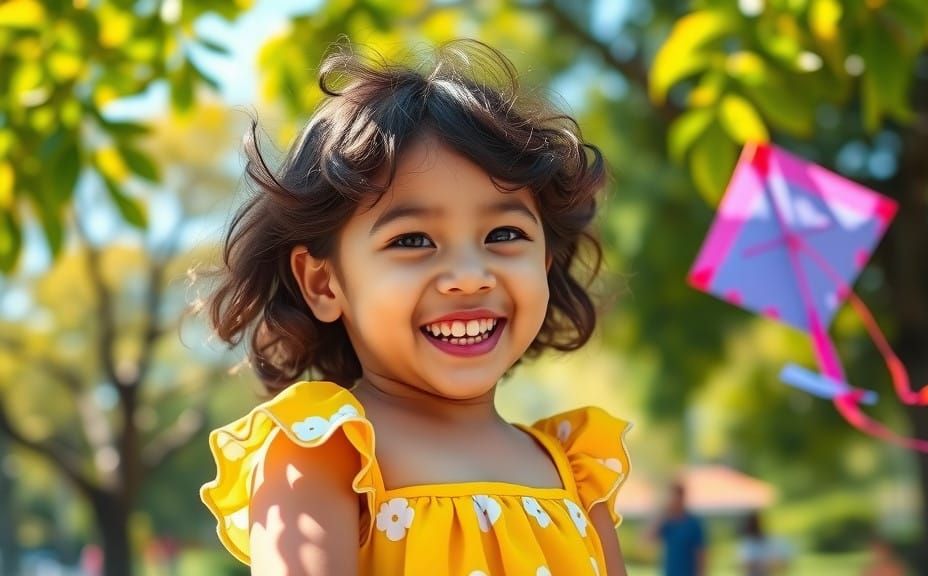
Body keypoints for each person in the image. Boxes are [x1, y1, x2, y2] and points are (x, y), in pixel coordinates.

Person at [199, 39, 630, 575]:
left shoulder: (578, 471)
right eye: (412, 241)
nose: (470, 276)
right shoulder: (321, 454)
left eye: (504, 233)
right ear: (323, 282)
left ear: (545, 261)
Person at [650, 482, 707, 576]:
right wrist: (662, 515)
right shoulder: (667, 522)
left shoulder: (693, 524)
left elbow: (701, 554)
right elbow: (648, 539)